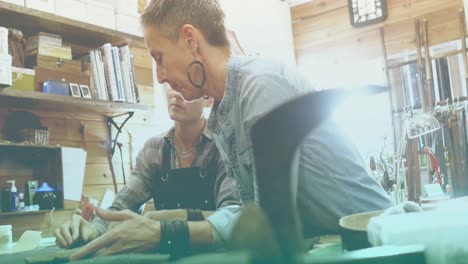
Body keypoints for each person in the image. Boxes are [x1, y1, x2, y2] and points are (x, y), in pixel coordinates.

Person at [67, 0, 394, 260]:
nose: (160, 76)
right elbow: (247, 213)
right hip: (336, 243)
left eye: (159, 57)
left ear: (191, 39)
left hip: (382, 243)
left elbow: (267, 225)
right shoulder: (224, 110)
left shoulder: (260, 86)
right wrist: (122, 222)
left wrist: (165, 234)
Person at [54, 85, 241, 254]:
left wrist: (167, 222)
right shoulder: (154, 149)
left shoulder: (224, 147)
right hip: (168, 255)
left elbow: (230, 217)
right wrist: (94, 229)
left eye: (185, 87)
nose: (176, 93)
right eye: (172, 86)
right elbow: (121, 206)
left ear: (208, 98)